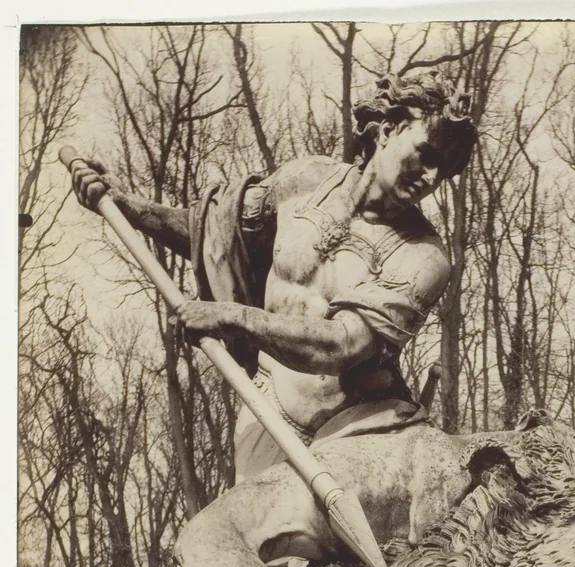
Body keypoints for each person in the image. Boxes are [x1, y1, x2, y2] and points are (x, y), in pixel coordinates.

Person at [69, 72, 477, 480]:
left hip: (361, 430)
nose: (431, 178)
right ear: (389, 129)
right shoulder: (304, 180)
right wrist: (125, 205)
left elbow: (344, 345)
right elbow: (213, 234)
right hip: (266, 415)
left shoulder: (425, 256)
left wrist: (236, 317)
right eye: (427, 154)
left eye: (443, 171)